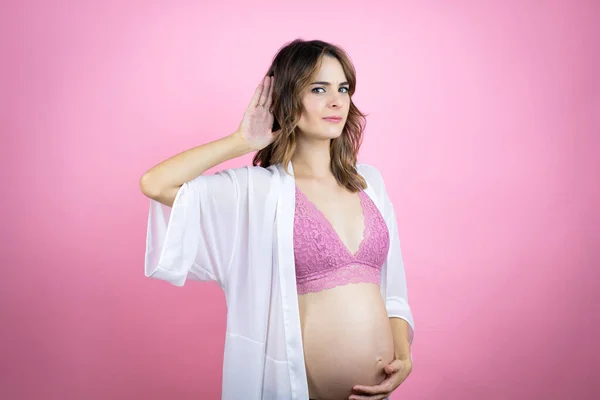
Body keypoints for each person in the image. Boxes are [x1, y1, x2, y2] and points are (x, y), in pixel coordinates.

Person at [140, 39, 415, 400]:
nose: (337, 101)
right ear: (287, 98)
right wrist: (241, 141)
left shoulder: (370, 183)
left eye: (343, 89)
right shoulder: (258, 193)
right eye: (319, 89)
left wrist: (404, 358)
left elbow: (393, 291)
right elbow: (155, 183)